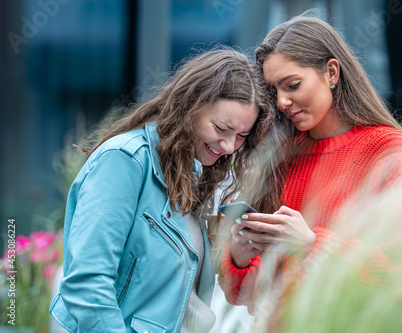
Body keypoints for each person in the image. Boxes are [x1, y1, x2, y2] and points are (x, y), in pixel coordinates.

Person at [218, 15, 402, 330]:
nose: (282, 101)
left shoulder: (386, 150)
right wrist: (239, 256)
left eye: (292, 85)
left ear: (331, 72)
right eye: (273, 90)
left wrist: (311, 243)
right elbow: (249, 297)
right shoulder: (281, 153)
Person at [49, 48, 272, 333]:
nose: (229, 146)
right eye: (221, 128)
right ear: (191, 105)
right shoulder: (126, 160)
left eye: (241, 136)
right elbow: (87, 284)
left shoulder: (188, 175)